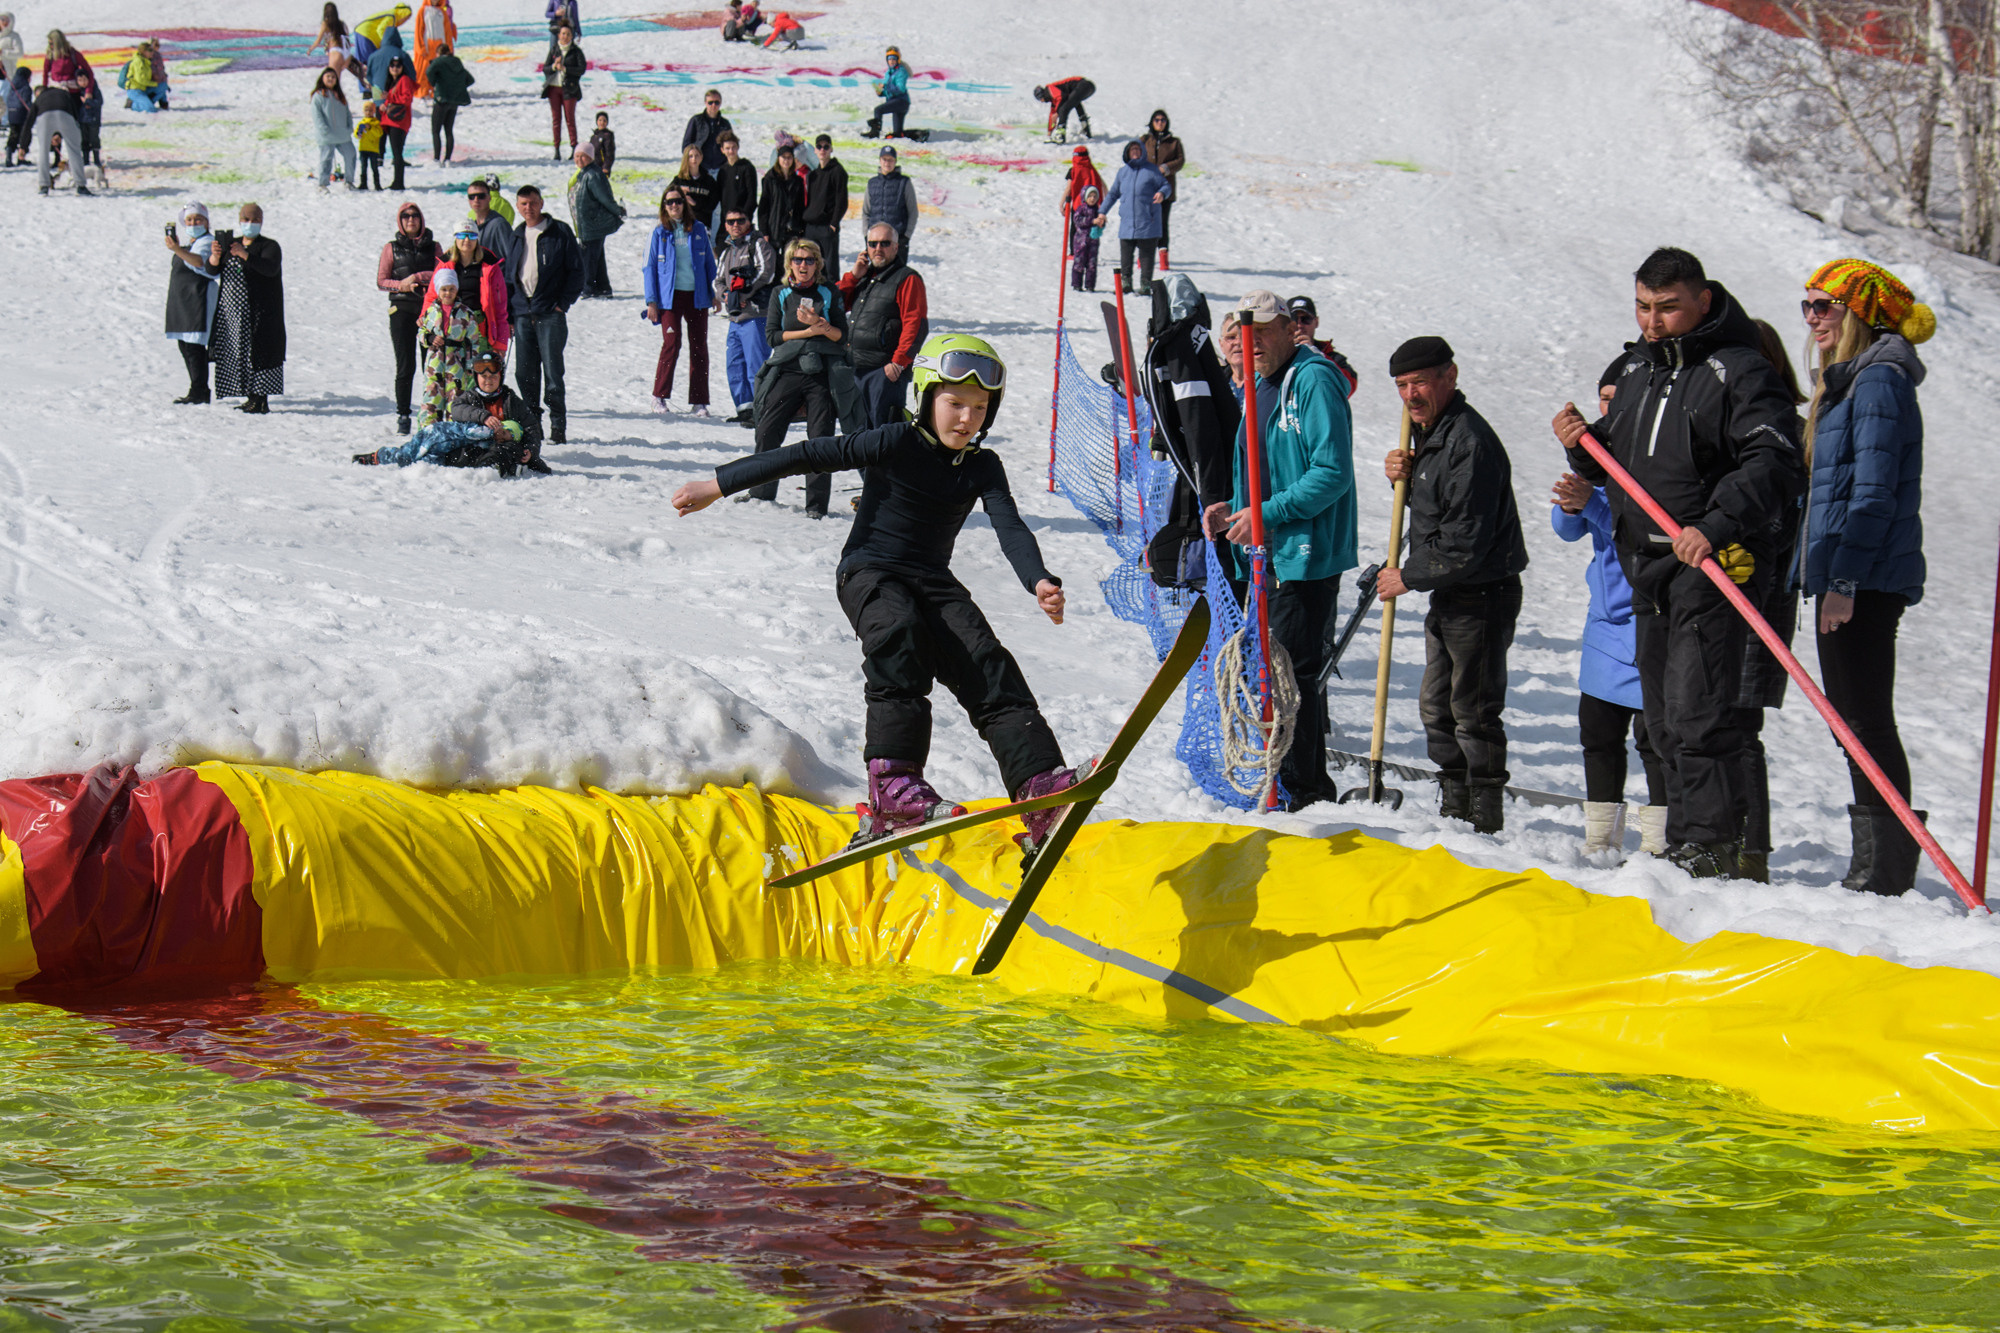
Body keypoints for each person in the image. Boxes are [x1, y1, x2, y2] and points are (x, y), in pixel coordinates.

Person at [671, 333, 1087, 852]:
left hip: (934, 581)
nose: (967, 418)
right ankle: (893, 786)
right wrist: (719, 484)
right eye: (955, 403)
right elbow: (806, 455)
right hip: (869, 573)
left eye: (980, 407)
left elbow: (1010, 526)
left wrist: (1039, 580)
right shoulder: (894, 441)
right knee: (901, 635)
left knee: (987, 663)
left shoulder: (984, 466)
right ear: (927, 397)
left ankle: (1040, 789)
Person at [1552, 247, 1805, 878]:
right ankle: (1681, 845)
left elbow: (1773, 460)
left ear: (1703, 301)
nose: (1652, 321)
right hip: (1649, 567)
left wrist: (1714, 526)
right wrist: (1584, 447)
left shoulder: (1739, 370)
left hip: (1715, 562)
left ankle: (1713, 847)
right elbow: (1623, 462)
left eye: (1667, 308)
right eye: (1642, 306)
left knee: (1700, 714)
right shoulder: (1640, 368)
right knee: (1661, 722)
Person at [1796, 259, 1936, 896]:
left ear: (1858, 312)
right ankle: (1878, 862)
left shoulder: (1878, 381)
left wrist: (1844, 582)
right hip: (1849, 573)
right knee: (1850, 717)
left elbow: (1875, 495)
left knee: (1864, 718)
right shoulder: (1851, 381)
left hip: (1865, 578)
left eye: (1826, 305)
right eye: (1808, 306)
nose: (1814, 318)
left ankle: (1885, 868)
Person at [1203, 292, 1357, 810]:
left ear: (1290, 329)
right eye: (1245, 332)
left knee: (1293, 676)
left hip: (1304, 554)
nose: (1254, 342)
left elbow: (1331, 472)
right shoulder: (1260, 385)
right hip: (1270, 552)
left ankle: (1304, 792)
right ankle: (1291, 782)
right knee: (1275, 671)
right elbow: (1264, 468)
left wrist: (1265, 515)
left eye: (1264, 330)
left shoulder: (1311, 378)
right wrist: (1235, 507)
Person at [1377, 338, 1529, 833]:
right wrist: (1406, 473)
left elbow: (1466, 539)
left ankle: (1484, 812)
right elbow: (1437, 504)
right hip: (1450, 589)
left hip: (1481, 592)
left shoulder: (1469, 442)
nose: (1410, 394)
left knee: (1473, 706)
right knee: (1436, 704)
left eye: (1420, 382)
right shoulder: (1433, 434)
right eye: (1402, 385)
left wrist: (1408, 576)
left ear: (1450, 376)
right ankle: (1455, 798)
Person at [1551, 370, 1667, 857]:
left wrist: (1594, 508)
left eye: (1616, 400)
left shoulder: (1656, 454)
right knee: (1598, 733)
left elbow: (1647, 529)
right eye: (1602, 400)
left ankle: (1660, 843)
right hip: (1606, 622)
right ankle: (1601, 841)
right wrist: (1576, 481)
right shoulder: (1598, 455)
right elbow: (1564, 527)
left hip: (1650, 616)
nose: (1608, 410)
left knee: (1654, 740)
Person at [1732, 317, 1808, 883]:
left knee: (1738, 722)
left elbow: (1781, 521)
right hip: (1720, 588)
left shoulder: (1788, 433)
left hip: (1760, 594)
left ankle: (1749, 849)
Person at [1141, 274, 1239, 593]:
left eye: (1242, 335)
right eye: (1230, 337)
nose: (1237, 343)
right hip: (1207, 496)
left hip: (1228, 500)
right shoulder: (1208, 368)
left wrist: (1211, 498)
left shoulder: (1260, 385)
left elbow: (1202, 429)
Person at [748, 239, 845, 517]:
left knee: (820, 439)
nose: (803, 265)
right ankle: (761, 493)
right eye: (798, 260)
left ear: (818, 264)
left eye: (809, 260)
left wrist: (821, 325)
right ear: (789, 263)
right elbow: (772, 336)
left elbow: (842, 336)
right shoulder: (781, 293)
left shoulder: (828, 292)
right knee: (767, 430)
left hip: (819, 373)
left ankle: (816, 506)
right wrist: (807, 332)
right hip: (788, 370)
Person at [357, 352, 547, 474]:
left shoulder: (511, 401)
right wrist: (483, 416)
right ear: (476, 377)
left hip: (493, 448)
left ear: (501, 377)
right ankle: (384, 456)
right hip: (465, 445)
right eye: (484, 376)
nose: (488, 381)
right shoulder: (470, 397)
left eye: (493, 377)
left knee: (506, 451)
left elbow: (531, 428)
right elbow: (457, 410)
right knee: (425, 453)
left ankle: (491, 469)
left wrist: (531, 452)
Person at [504, 183, 586, 444]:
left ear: (542, 203)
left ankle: (558, 426)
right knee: (525, 374)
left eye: (533, 202)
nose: (529, 208)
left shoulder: (558, 231)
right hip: (522, 313)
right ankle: (532, 426)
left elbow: (577, 271)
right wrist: (510, 314)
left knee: (552, 373)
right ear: (517, 207)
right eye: (524, 204)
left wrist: (563, 302)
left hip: (550, 312)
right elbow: (508, 278)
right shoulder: (516, 235)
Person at [838, 224, 927, 429]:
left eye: (885, 243)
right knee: (855, 433)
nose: (878, 248)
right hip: (855, 367)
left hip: (883, 371)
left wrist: (898, 362)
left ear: (896, 247)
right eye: (872, 243)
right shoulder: (864, 277)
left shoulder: (907, 278)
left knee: (881, 433)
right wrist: (853, 277)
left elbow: (916, 323)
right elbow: (834, 306)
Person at [206, 202, 286, 415]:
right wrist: (215, 255)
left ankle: (261, 399)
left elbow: (269, 268)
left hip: (262, 310)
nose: (250, 224)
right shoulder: (230, 245)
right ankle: (250, 396)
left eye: (255, 220)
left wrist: (245, 255)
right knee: (240, 353)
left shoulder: (269, 246)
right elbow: (212, 269)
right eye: (246, 220)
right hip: (235, 313)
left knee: (262, 353)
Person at [644, 188, 717, 415]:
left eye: (678, 201)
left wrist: (712, 292)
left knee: (699, 346)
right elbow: (650, 268)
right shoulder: (658, 233)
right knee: (671, 343)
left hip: (696, 296)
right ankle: (659, 396)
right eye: (669, 202)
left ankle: (699, 400)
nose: (674, 206)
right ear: (664, 206)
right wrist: (651, 301)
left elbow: (708, 266)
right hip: (670, 298)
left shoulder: (698, 230)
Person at [376, 201, 442, 433]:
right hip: (402, 309)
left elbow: (441, 274)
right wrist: (402, 285)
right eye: (405, 216)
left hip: (428, 310)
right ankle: (403, 415)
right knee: (405, 365)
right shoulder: (391, 248)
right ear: (400, 221)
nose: (410, 220)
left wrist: (417, 276)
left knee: (431, 364)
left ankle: (432, 412)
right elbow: (381, 281)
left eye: (415, 216)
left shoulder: (433, 247)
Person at [713, 207, 776, 425]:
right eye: (730, 222)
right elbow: (718, 280)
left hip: (756, 316)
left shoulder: (757, 244)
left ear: (749, 222)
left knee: (755, 365)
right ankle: (745, 409)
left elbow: (766, 272)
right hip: (735, 318)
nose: (735, 225)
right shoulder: (727, 251)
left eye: (740, 220)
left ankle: (762, 411)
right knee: (735, 365)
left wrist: (744, 294)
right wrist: (728, 296)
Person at [414, 268, 491, 427]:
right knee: (431, 399)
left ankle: (454, 435)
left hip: (456, 363)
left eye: (451, 289)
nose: (447, 293)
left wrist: (470, 365)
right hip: (434, 363)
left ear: (456, 290)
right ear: (438, 290)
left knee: (455, 399)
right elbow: (421, 332)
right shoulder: (431, 311)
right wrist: (429, 338)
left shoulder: (465, 313)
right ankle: (429, 434)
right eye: (443, 289)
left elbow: (473, 341)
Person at [163, 201, 221, 404]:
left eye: (198, 219)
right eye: (189, 219)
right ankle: (196, 387)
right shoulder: (191, 244)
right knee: (185, 346)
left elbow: (200, 263)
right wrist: (179, 248)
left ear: (206, 222)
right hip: (182, 301)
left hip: (198, 299)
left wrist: (178, 250)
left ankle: (199, 390)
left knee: (194, 347)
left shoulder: (207, 242)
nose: (194, 222)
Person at [429, 219, 510, 361]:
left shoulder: (490, 267)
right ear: (455, 238)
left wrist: (501, 343)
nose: (467, 240)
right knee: (454, 373)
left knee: (480, 371)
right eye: (462, 236)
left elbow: (499, 306)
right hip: (452, 325)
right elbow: (432, 296)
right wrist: (426, 321)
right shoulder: (445, 265)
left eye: (472, 236)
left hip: (478, 325)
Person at [1100, 140, 1171, 295]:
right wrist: (1102, 212)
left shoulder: (1152, 171)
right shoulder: (1122, 172)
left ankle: (1145, 286)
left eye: (1138, 149)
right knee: (1125, 257)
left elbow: (1166, 186)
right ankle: (1126, 284)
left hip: (1148, 222)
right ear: (1127, 152)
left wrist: (1162, 193)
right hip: (1127, 224)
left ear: (1143, 152)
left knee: (1146, 257)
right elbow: (1113, 194)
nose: (1135, 152)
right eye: (1132, 149)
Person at [34, 31, 89, 198]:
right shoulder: (49, 55)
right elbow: (45, 74)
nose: (50, 46)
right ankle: (51, 172)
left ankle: (79, 180)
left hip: (71, 95)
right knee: (48, 141)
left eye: (52, 43)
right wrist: (43, 93)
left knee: (73, 140)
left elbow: (87, 70)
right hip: (54, 94)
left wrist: (88, 90)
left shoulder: (72, 54)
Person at [568, 141, 624, 299]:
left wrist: (618, 211)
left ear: (590, 157)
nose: (579, 159)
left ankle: (588, 287)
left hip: (593, 224)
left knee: (588, 257)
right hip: (589, 224)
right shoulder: (585, 173)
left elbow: (605, 198)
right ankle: (603, 287)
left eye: (583, 156)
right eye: (576, 156)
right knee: (596, 256)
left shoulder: (592, 175)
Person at [1285, 296, 1358, 392]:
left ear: (1316, 322)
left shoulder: (1332, 358)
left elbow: (1348, 387)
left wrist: (1317, 356)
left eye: (1306, 319)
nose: (1299, 325)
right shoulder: (1271, 353)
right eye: (1294, 319)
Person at [1142, 110, 1183, 269]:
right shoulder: (1145, 140)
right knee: (1145, 221)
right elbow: (1135, 156)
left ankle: (1163, 256)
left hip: (1166, 189)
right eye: (1157, 120)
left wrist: (1166, 168)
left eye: (1163, 120)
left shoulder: (1174, 142)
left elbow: (1180, 160)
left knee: (1162, 222)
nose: (1160, 123)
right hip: (1147, 188)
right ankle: (1144, 256)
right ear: (1152, 122)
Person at [862, 145, 918, 258]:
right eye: (884, 159)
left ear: (895, 161)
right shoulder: (872, 183)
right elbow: (866, 211)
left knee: (898, 274)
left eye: (891, 160)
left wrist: (906, 236)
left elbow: (913, 212)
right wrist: (866, 234)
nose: (887, 163)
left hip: (897, 240)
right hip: (875, 240)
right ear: (880, 161)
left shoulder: (904, 182)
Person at [803, 134, 849, 265]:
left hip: (826, 227)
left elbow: (842, 201)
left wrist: (834, 224)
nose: (822, 150)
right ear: (815, 150)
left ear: (831, 149)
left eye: (826, 147)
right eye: (819, 147)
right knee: (811, 266)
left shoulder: (838, 172)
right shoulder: (813, 175)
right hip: (811, 228)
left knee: (829, 269)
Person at [541, 24, 584, 161]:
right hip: (554, 88)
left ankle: (573, 147)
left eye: (568, 34)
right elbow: (545, 69)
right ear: (558, 35)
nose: (565, 37)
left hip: (569, 89)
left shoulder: (576, 51)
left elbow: (581, 69)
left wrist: (565, 69)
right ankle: (557, 149)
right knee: (556, 120)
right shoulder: (554, 50)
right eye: (562, 34)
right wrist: (554, 66)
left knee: (569, 119)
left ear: (571, 36)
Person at [425, 40, 471, 163]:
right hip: (454, 101)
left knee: (436, 130)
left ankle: (436, 158)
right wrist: (458, 87)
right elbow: (470, 79)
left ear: (438, 53)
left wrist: (434, 82)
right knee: (448, 130)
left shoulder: (439, 62)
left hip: (441, 100)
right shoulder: (457, 62)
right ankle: (447, 159)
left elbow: (429, 71)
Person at [311, 68, 358, 190]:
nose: (331, 79)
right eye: (328, 76)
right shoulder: (318, 96)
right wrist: (324, 130)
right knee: (326, 159)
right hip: (327, 136)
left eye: (333, 77)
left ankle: (349, 181)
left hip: (343, 134)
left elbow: (347, 112)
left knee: (351, 155)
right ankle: (322, 184)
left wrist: (349, 127)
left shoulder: (339, 96)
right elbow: (317, 116)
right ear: (323, 78)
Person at [759, 141, 808, 254]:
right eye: (783, 157)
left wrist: (802, 229)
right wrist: (764, 231)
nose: (786, 160)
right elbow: (763, 207)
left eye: (789, 157)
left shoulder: (798, 181)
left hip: (792, 228)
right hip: (774, 228)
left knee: (790, 260)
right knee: (774, 263)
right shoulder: (769, 179)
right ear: (778, 159)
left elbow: (800, 207)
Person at [376, 51, 415, 190]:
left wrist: (389, 99)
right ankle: (397, 181)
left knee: (397, 153)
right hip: (393, 121)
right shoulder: (394, 82)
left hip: (399, 121)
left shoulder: (404, 80)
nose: (395, 68)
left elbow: (406, 99)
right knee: (396, 152)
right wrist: (384, 106)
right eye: (392, 66)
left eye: (398, 66)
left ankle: (398, 182)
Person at [682, 88, 732, 178]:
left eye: (717, 102)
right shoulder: (696, 121)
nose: (713, 105)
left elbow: (731, 145)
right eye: (710, 102)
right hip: (700, 169)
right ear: (705, 103)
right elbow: (686, 146)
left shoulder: (725, 124)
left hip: (720, 169)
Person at [715, 131, 758, 231]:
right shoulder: (723, 170)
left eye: (733, 147)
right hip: (727, 222)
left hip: (742, 222)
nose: (731, 151)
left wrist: (745, 218)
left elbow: (752, 196)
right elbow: (719, 197)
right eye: (727, 148)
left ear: (738, 147)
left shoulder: (747, 167)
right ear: (722, 150)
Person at [669, 142, 718, 231]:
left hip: (703, 225)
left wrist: (695, 203)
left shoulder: (709, 181)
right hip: (682, 225)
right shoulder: (679, 180)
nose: (694, 159)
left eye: (697, 156)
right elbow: (668, 198)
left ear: (701, 157)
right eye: (690, 156)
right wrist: (679, 193)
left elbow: (712, 205)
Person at [412, 0, 454, 97]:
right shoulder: (423, 11)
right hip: (427, 46)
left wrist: (449, 48)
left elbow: (447, 32)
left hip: (440, 46)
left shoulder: (442, 12)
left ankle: (437, 91)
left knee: (439, 70)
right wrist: (420, 47)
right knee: (424, 70)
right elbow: (419, 30)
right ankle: (422, 91)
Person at [1033, 76, 1093, 144]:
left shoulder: (1049, 89)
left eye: (1039, 99)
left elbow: (1061, 97)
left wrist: (1057, 113)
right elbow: (1052, 115)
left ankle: (1060, 136)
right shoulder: (1053, 99)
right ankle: (1086, 130)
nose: (1041, 101)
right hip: (1089, 87)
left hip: (1083, 85)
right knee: (1074, 103)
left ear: (1041, 95)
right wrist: (1049, 132)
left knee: (1063, 109)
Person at [866, 45, 909, 139]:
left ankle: (875, 132)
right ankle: (915, 135)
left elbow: (900, 89)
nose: (892, 61)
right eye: (889, 59)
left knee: (878, 110)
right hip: (894, 101)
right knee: (897, 133)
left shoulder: (901, 72)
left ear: (898, 59)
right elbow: (890, 90)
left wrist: (885, 86)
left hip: (901, 101)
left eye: (894, 58)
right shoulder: (888, 73)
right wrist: (881, 93)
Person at [467, 177, 512, 261]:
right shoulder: (473, 225)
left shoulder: (499, 224)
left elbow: (512, 258)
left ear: (489, 198)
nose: (476, 200)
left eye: (481, 196)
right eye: (472, 197)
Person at [1068, 185, 1101, 290]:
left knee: (1092, 263)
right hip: (1081, 241)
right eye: (1090, 196)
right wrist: (1091, 221)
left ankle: (1090, 285)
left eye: (1094, 196)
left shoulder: (1098, 210)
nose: (1092, 199)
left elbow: (1101, 221)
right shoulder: (1081, 208)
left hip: (1093, 241)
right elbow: (1077, 220)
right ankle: (1077, 284)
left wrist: (1101, 222)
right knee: (1079, 262)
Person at [364, 21, 409, 98]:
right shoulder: (403, 55)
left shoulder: (373, 56)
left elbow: (369, 76)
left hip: (379, 97)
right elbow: (412, 76)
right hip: (398, 98)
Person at [119, 39, 165, 112]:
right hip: (135, 90)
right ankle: (133, 104)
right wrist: (154, 84)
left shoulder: (147, 61)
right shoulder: (139, 62)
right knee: (150, 109)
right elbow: (140, 80)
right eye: (150, 50)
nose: (152, 52)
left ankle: (145, 102)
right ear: (143, 51)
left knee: (163, 86)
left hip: (142, 89)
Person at [1059, 145, 1103, 215]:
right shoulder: (1092, 170)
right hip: (1093, 205)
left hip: (1078, 206)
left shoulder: (1073, 171)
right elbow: (1103, 186)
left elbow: (1069, 188)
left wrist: (1061, 203)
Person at [353, 99, 384, 189]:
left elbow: (379, 133)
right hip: (363, 148)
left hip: (373, 149)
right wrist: (359, 133)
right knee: (363, 167)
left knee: (374, 167)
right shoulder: (361, 123)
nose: (368, 113)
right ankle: (363, 183)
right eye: (366, 110)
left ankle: (377, 184)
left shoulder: (376, 123)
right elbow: (356, 134)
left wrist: (370, 128)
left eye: (370, 110)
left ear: (374, 111)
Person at [4, 66, 31, 166]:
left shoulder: (12, 86)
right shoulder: (26, 87)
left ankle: (9, 153)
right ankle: (21, 157)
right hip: (21, 113)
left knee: (14, 134)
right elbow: (26, 102)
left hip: (11, 113)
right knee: (25, 136)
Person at [588, 110, 615, 174]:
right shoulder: (594, 137)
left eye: (604, 120)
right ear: (597, 122)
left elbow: (610, 153)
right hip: (593, 166)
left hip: (602, 168)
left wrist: (606, 167)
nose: (602, 122)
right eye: (600, 120)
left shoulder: (608, 136)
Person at [0, 12, 23, 81]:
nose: (4, 22)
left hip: (8, 71)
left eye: (6, 20)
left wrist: (3, 52)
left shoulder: (14, 36)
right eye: (2, 19)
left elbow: (19, 53)